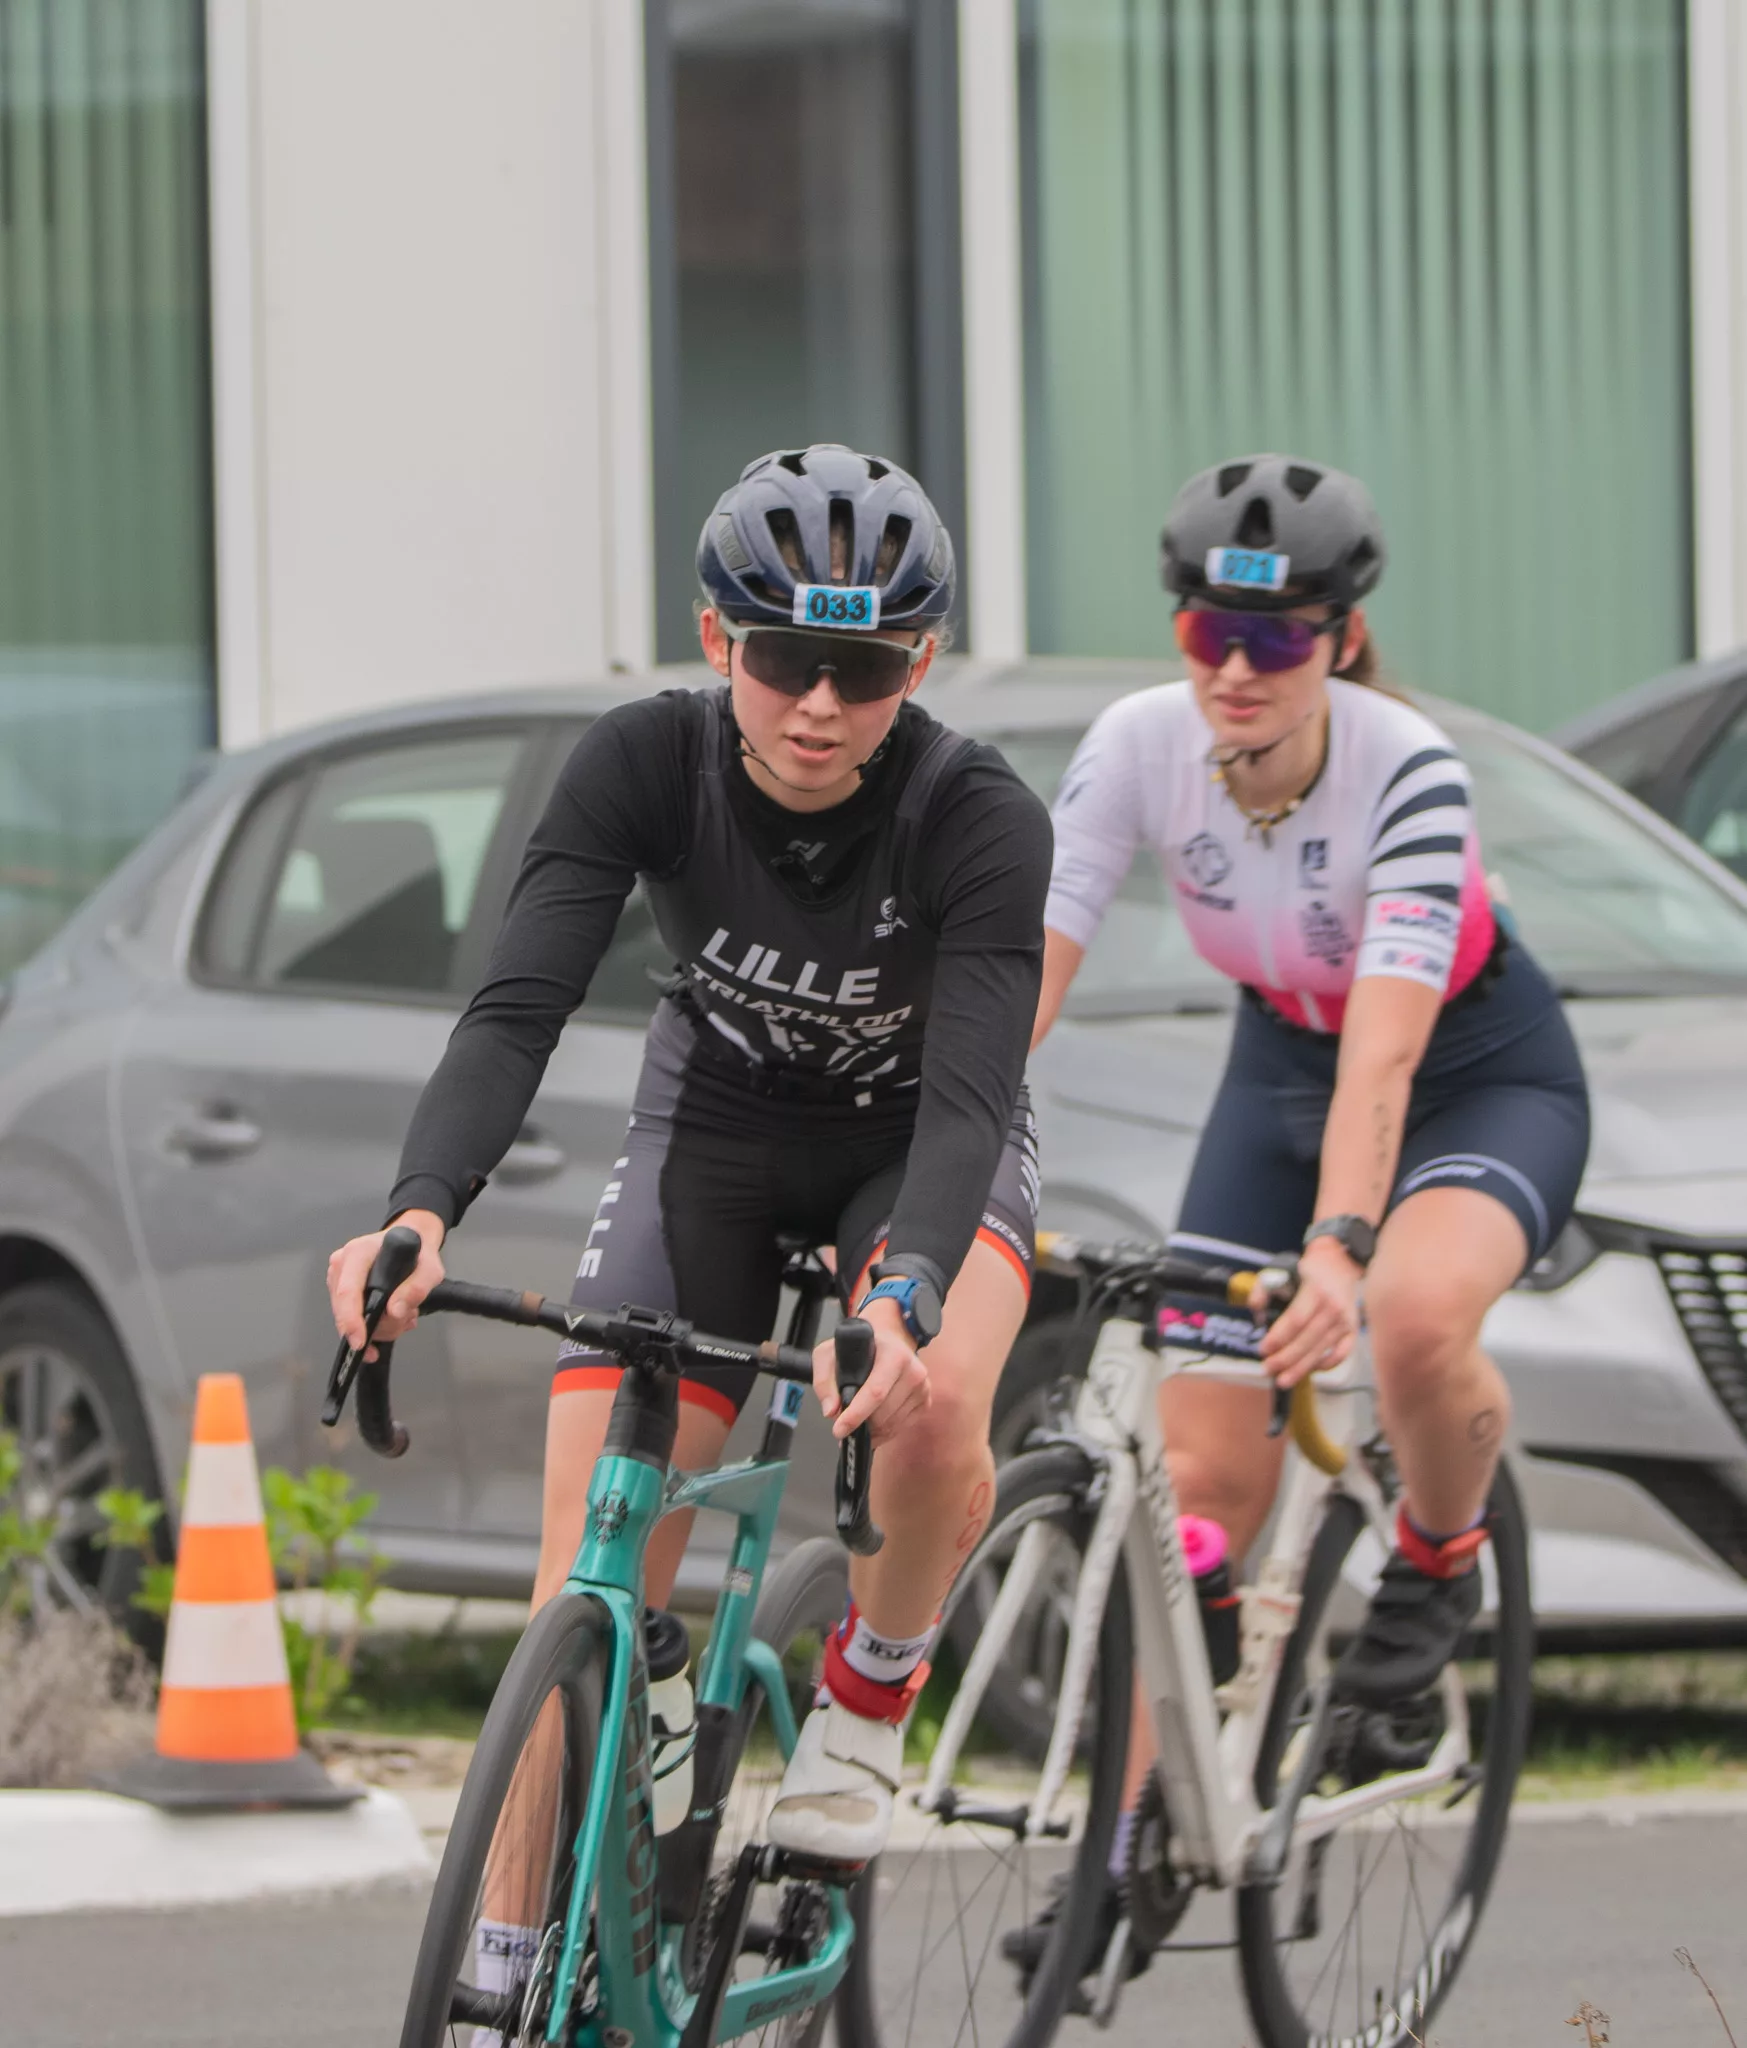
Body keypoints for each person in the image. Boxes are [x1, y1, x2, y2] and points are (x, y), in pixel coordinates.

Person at [327, 444, 1051, 1884]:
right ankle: (509, 1953)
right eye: (783, 660)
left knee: (928, 1409)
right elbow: (516, 1011)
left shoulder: (978, 816)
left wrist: (902, 1293)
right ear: (718, 639)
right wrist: (419, 1210)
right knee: (587, 1574)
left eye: (868, 669)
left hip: (913, 1139)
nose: (820, 705)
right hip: (713, 1128)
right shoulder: (642, 762)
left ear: (919, 664)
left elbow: (974, 1097)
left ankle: (868, 1699)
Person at [1031, 452, 1590, 1935]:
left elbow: (1385, 1058)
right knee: (1198, 1488)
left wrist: (1338, 1249)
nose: (1236, 667)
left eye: (1274, 637)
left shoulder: (1407, 767)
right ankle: (1131, 1844)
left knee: (1411, 1316)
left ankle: (1438, 1560)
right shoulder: (1138, 744)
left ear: (1338, 639)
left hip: (1475, 1074)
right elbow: (1024, 974)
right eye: (1206, 630)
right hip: (1278, 1073)